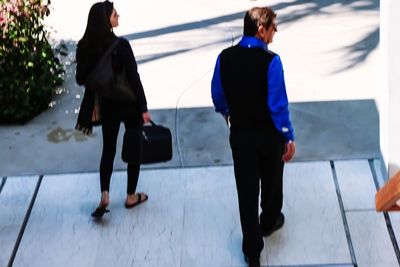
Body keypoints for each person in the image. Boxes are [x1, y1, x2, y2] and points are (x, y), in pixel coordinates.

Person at [211, 7, 296, 267]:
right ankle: (269, 221)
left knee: (246, 191)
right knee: (272, 181)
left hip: (241, 136)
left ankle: (252, 251)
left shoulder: (224, 57)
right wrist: (288, 136)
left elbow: (218, 94)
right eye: (273, 28)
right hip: (269, 136)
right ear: (261, 29)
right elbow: (277, 105)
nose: (275, 33)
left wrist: (228, 115)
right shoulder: (272, 61)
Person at [75, 1, 151, 218]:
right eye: (115, 15)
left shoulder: (85, 47)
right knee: (134, 146)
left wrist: (100, 81)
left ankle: (105, 194)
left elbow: (81, 79)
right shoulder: (121, 45)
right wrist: (143, 108)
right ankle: (130, 196)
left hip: (106, 105)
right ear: (106, 20)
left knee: (108, 149)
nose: (118, 17)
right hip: (129, 104)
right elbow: (134, 78)